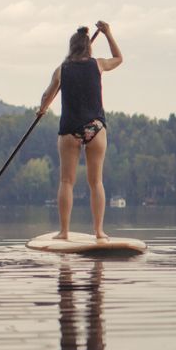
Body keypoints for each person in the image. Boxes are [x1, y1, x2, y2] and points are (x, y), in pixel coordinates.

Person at [37, 21, 123, 242]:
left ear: (71, 47)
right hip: (95, 127)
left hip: (69, 130)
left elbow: (47, 96)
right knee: (96, 182)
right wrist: (108, 34)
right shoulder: (98, 65)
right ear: (88, 47)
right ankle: (99, 232)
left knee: (67, 181)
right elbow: (119, 59)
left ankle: (64, 232)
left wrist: (42, 110)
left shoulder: (62, 69)